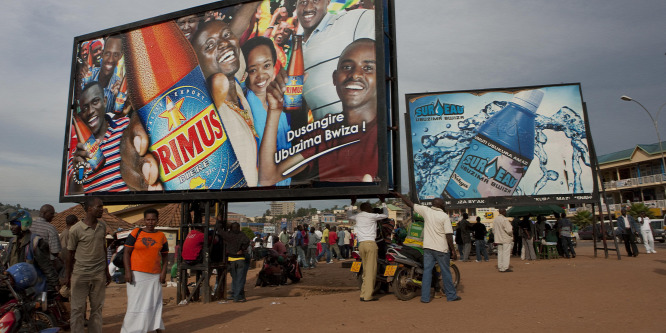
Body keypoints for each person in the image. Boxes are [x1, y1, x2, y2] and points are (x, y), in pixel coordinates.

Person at [259, 38, 379, 184]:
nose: (355, 75)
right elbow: (268, 178)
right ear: (335, 78)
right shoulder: (324, 131)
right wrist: (274, 110)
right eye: (347, 67)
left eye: (368, 68)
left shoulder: (386, 133)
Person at [295, 0, 375, 120]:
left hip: (367, 132)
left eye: (315, 1)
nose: (308, 8)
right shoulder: (296, 52)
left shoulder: (355, 19)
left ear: (328, 1)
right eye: (303, 2)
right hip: (329, 135)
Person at [393, 192, 460, 303]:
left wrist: (400, 196)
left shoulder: (426, 211)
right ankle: (451, 296)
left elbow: (410, 204)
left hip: (428, 248)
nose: (445, 205)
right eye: (443, 203)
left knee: (427, 272)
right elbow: (449, 235)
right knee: (445, 271)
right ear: (441, 205)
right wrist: (453, 250)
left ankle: (425, 298)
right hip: (441, 249)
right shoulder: (444, 216)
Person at [68, 82, 130, 194]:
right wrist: (79, 172)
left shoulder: (125, 126)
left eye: (95, 102)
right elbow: (74, 194)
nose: (90, 111)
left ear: (105, 101)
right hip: (98, 209)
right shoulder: (77, 153)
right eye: (85, 108)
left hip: (131, 207)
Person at [67, 197, 112, 333]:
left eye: (102, 206)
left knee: (97, 309)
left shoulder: (102, 226)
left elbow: (103, 249)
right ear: (89, 209)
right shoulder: (75, 230)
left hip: (98, 275)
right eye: (99, 207)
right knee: (77, 309)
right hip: (80, 275)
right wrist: (68, 276)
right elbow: (70, 254)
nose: (102, 210)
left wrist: (106, 272)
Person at [121, 208, 168, 333]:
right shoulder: (136, 233)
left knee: (154, 304)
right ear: (144, 220)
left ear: (157, 220)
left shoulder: (161, 236)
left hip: (154, 276)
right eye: (148, 219)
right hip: (136, 274)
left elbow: (165, 255)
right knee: (135, 304)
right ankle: (131, 330)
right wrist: (127, 271)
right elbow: (126, 253)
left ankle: (155, 328)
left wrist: (163, 272)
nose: (150, 222)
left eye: (153, 219)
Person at [4, 209, 59, 293]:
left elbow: (46, 265)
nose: (12, 227)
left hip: (33, 288)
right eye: (11, 224)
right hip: (15, 286)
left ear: (24, 223)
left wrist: (55, 283)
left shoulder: (35, 242)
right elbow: (6, 263)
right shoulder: (12, 243)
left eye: (15, 224)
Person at [348, 197, 388, 302]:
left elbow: (348, 215)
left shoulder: (358, 216)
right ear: (368, 208)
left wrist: (352, 204)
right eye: (370, 206)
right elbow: (386, 215)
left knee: (365, 270)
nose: (371, 208)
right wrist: (383, 202)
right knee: (371, 271)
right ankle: (368, 296)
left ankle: (363, 293)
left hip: (361, 245)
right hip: (371, 244)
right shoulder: (372, 216)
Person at [217, 222, 250, 302]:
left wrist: (219, 222)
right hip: (240, 259)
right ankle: (237, 296)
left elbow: (219, 231)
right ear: (239, 228)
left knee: (235, 279)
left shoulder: (228, 235)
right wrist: (242, 249)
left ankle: (237, 295)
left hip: (231, 260)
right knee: (240, 279)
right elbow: (247, 241)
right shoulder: (241, 235)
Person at [494, 208, 513, 273]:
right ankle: (505, 267)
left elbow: (493, 230)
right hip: (505, 239)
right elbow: (509, 230)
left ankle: (500, 267)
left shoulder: (495, 219)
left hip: (498, 239)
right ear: (503, 212)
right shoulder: (504, 219)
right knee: (506, 253)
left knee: (500, 253)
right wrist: (511, 235)